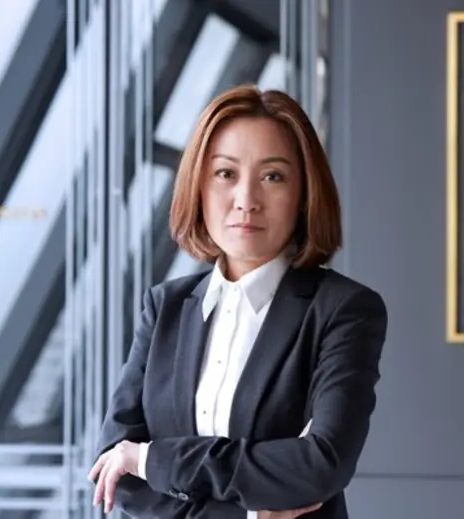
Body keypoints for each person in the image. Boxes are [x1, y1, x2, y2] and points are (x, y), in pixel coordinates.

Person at [88, 84, 388, 519]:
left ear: (304, 194)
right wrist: (250, 512)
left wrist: (152, 458)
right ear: (198, 187)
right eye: (226, 173)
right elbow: (114, 471)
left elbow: (321, 464)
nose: (246, 201)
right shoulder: (165, 307)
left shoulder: (344, 310)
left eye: (272, 177)